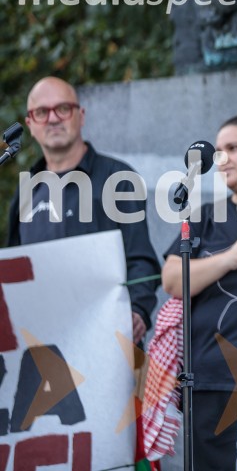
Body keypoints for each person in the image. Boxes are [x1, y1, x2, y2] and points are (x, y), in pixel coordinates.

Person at [7, 76, 159, 343]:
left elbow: (141, 260)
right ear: (30, 124)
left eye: (63, 108)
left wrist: (137, 311)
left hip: (106, 342)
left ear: (81, 115)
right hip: (40, 346)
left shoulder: (118, 178)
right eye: (42, 112)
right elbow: (13, 273)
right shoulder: (25, 191)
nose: (53, 119)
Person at [160, 114, 237, 470]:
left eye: (234, 148)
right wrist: (230, 258)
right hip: (212, 376)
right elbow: (172, 279)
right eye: (218, 151)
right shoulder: (206, 215)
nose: (223, 159)